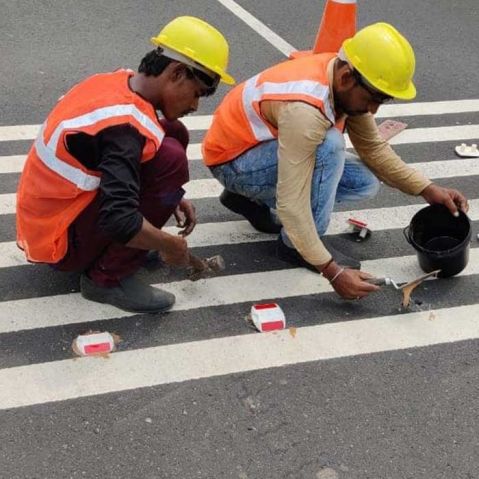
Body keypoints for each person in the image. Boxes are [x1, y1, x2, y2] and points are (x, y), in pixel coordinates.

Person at [202, 22, 468, 301]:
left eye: (383, 100)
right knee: (328, 147)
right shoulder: (306, 109)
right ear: (346, 78)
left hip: (257, 150)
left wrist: (426, 189)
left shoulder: (345, 76)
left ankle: (245, 199)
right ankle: (293, 246)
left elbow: (373, 148)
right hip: (233, 162)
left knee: (363, 182)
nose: (374, 109)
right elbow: (292, 203)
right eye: (373, 98)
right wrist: (332, 271)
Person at [16, 16, 235, 313]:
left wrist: (172, 197)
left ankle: (133, 245)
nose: (195, 106)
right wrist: (169, 245)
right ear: (177, 72)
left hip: (56, 215)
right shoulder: (124, 130)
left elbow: (120, 158)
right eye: (196, 94)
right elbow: (119, 219)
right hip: (58, 240)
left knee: (173, 133)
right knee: (170, 160)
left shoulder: (118, 81)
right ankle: (106, 278)